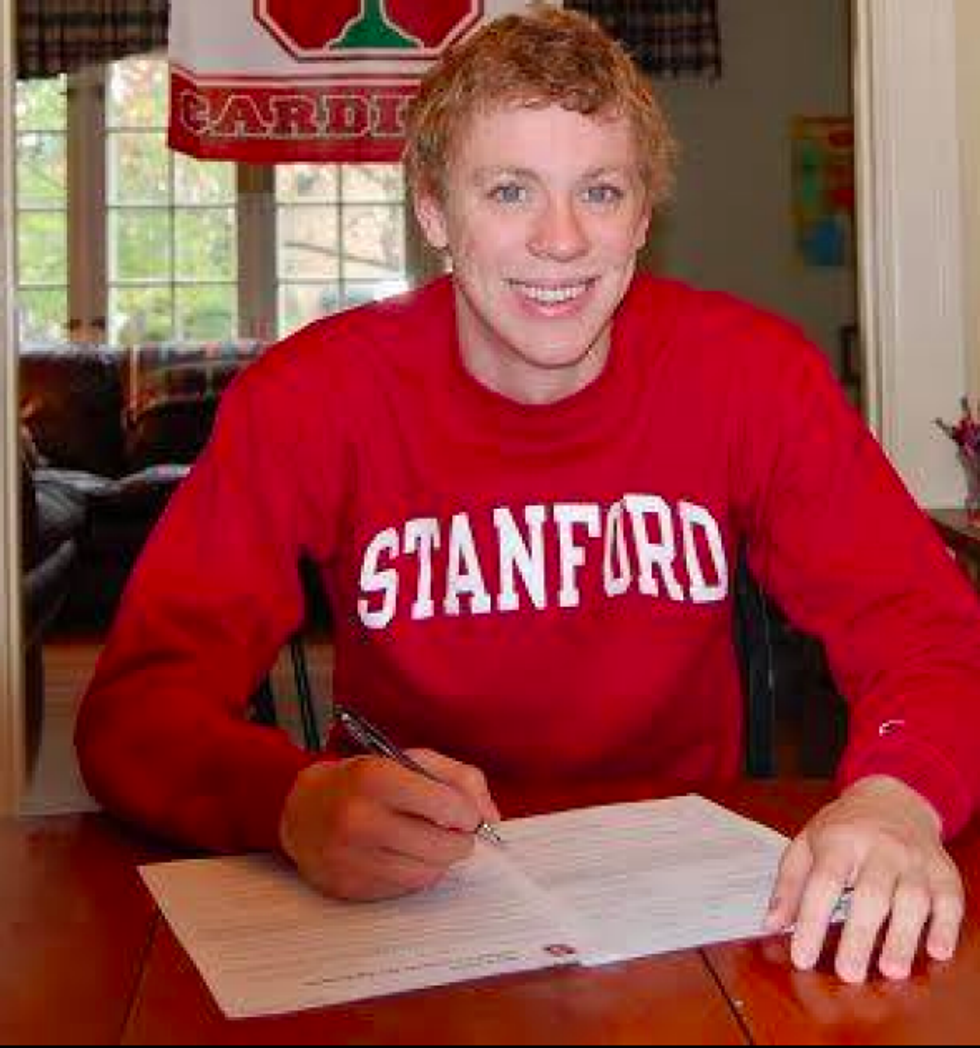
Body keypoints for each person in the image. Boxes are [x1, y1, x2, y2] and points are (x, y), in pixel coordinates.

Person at [76, 4, 980, 986]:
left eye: (600, 190)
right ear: (433, 211)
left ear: (643, 216)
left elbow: (931, 636)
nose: (560, 239)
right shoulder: (310, 398)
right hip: (409, 909)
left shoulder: (751, 376)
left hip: (685, 917)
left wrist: (897, 797)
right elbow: (136, 711)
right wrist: (289, 800)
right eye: (509, 190)